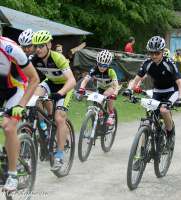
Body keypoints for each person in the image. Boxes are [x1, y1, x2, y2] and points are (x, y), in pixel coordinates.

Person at [123, 36, 181, 147]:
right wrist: (129, 90)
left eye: (157, 53)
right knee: (150, 115)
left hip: (171, 91)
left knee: (164, 110)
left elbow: (180, 83)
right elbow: (136, 79)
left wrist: (180, 98)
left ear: (162, 52)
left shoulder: (169, 63)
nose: (154, 56)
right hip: (157, 91)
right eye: (151, 53)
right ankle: (142, 153)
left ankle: (170, 134)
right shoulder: (147, 63)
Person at [30, 30, 76, 171]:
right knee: (33, 98)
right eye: (35, 46)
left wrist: (60, 93)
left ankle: (59, 156)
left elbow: (72, 80)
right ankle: (43, 126)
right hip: (50, 82)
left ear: (49, 45)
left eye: (41, 46)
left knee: (59, 118)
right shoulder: (34, 59)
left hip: (65, 86)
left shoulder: (58, 58)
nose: (38, 49)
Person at [0, 36, 39, 191]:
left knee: (9, 127)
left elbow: (34, 79)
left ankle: (13, 174)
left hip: (16, 89)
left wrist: (22, 105)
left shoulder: (10, 48)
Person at [78, 50, 119, 125]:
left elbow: (116, 85)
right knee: (96, 100)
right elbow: (85, 80)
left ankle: (111, 114)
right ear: (97, 63)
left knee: (106, 94)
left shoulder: (111, 71)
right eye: (100, 64)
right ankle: (100, 114)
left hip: (110, 87)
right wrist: (81, 88)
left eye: (105, 66)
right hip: (100, 87)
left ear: (108, 65)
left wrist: (115, 94)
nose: (102, 68)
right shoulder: (94, 70)